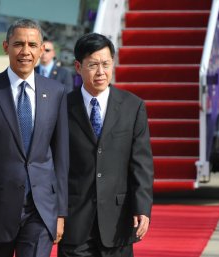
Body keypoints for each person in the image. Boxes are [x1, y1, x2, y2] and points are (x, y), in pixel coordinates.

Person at [0, 19, 69, 257]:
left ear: (41, 49)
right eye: (18, 44)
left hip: (41, 209)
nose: (25, 51)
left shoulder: (57, 92)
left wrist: (60, 212)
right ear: (5, 46)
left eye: (32, 45)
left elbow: (61, 157)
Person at [58, 33, 154, 257]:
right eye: (93, 65)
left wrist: (142, 208)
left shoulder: (133, 106)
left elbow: (141, 164)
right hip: (75, 221)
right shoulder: (61, 107)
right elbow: (55, 165)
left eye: (106, 64)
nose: (101, 72)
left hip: (118, 220)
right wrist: (56, 213)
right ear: (78, 66)